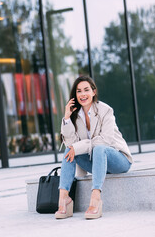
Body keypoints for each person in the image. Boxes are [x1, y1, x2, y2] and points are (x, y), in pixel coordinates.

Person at [55, 75, 133, 220]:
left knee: (99, 148)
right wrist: (66, 118)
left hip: (118, 159)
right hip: (96, 162)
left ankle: (96, 198)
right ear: (75, 95)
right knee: (68, 151)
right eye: (79, 91)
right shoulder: (75, 114)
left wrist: (78, 147)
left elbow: (105, 140)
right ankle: (64, 198)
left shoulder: (106, 110)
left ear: (94, 92)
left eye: (86, 90)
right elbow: (70, 143)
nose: (83, 94)